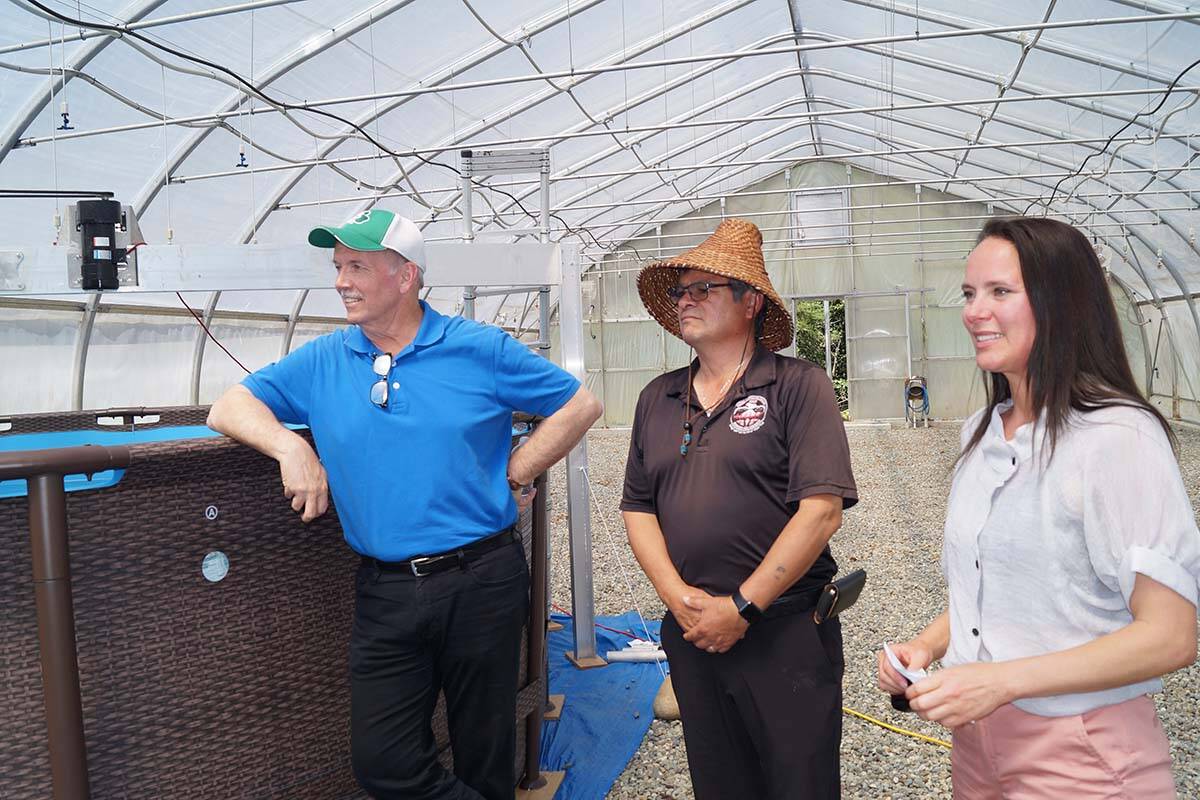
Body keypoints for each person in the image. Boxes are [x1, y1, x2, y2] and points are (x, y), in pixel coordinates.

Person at [207, 208, 602, 800]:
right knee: (383, 762)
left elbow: (579, 404)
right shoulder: (323, 359)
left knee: (484, 752)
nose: (341, 279)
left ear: (406, 276)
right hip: (385, 589)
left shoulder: (479, 348)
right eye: (338, 266)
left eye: (357, 266)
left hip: (483, 580)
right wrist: (290, 446)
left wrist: (518, 470)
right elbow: (227, 407)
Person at [877, 217, 1200, 798]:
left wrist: (1001, 681)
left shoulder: (1117, 438)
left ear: (1063, 303)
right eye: (970, 294)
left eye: (1001, 292)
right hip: (978, 745)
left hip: (1083, 753)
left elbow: (1171, 636)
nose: (976, 311)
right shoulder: (981, 431)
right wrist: (928, 645)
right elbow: (1004, 589)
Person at [620, 218, 858, 800]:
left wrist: (743, 606)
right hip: (693, 628)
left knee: (799, 782)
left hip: (782, 630)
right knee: (720, 782)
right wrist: (679, 599)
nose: (687, 301)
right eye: (681, 291)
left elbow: (821, 511)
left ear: (750, 302)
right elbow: (638, 507)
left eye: (705, 289)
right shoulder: (658, 396)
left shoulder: (797, 387)